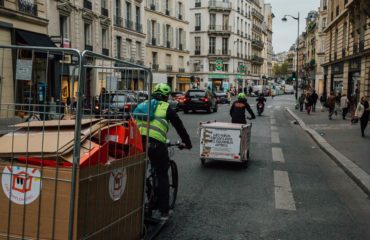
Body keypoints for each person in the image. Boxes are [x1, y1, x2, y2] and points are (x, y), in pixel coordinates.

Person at [135, 83, 192, 220]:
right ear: (166, 97)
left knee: (136, 174)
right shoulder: (167, 108)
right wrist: (187, 143)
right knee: (162, 175)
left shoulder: (142, 105)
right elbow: (180, 127)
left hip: (137, 144)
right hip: (156, 145)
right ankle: (164, 211)